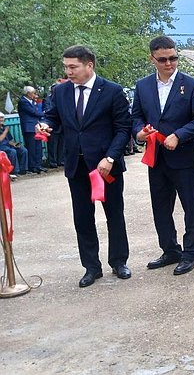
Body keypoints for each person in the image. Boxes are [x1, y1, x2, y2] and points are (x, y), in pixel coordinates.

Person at [37, 45, 132, 287]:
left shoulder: (111, 91)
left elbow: (123, 129)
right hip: (76, 165)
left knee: (114, 215)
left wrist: (110, 158)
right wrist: (45, 125)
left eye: (73, 67)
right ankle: (91, 267)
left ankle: (119, 262)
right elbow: (53, 117)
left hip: (105, 166)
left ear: (89, 65)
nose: (68, 71)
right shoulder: (60, 92)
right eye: (65, 67)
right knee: (82, 218)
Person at [132, 35, 194, 276]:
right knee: (161, 207)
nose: (169, 64)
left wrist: (180, 135)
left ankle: (190, 253)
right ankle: (169, 249)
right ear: (152, 59)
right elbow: (136, 116)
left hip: (184, 157)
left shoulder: (192, 85)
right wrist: (139, 132)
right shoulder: (143, 86)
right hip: (156, 157)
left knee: (190, 206)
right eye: (163, 59)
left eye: (173, 58)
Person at [18, 86, 46, 174]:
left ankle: (38, 165)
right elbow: (33, 112)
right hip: (29, 128)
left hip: (36, 126)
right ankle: (32, 166)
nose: (35, 95)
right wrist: (44, 113)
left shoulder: (33, 102)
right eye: (33, 93)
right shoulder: (23, 101)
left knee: (38, 147)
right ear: (28, 93)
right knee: (31, 147)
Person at [0, 113, 28, 178]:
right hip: (1, 147)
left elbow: (9, 141)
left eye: (2, 118)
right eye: (0, 118)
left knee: (23, 150)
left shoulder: (4, 127)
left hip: (8, 145)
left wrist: (15, 144)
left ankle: (23, 170)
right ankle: (14, 171)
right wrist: (5, 131)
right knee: (12, 151)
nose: (1, 119)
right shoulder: (5, 129)